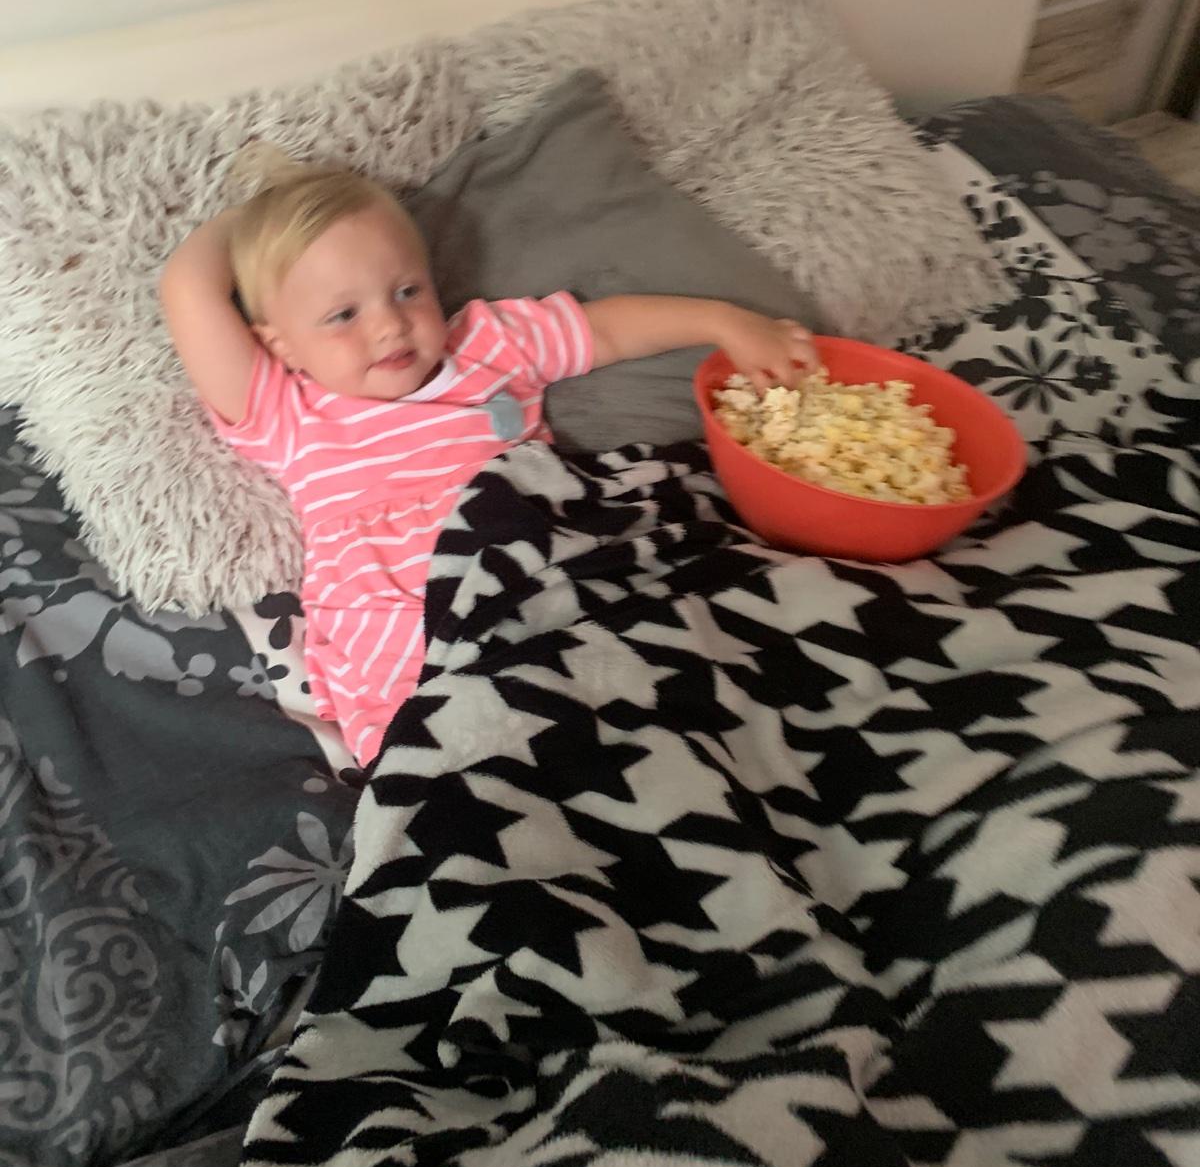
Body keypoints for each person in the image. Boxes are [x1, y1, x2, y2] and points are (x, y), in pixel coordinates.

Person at [161, 145, 816, 766]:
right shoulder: (288, 411)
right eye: (343, 315)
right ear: (282, 345)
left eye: (407, 291)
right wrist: (268, 211)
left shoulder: (487, 344)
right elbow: (189, 288)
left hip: (542, 595)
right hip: (406, 663)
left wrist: (723, 322)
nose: (389, 325)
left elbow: (608, 329)